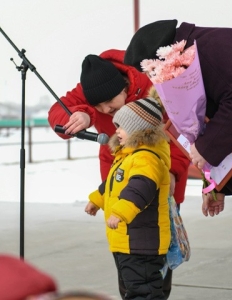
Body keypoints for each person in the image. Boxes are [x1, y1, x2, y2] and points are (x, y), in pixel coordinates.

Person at [124, 19, 232, 300]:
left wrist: (205, 150)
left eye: (154, 71)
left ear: (162, 55)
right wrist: (214, 184)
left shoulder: (216, 46)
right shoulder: (195, 57)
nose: (157, 77)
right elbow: (213, 120)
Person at [47, 51, 190, 299]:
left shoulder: (152, 83)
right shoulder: (93, 85)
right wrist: (82, 114)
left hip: (156, 171)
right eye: (98, 106)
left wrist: (173, 172)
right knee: (126, 255)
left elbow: (178, 133)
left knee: (155, 255)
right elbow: (57, 112)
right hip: (118, 168)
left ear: (125, 87)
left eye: (110, 103)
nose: (105, 110)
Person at [85, 97, 171, 300]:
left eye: (121, 126)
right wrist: (97, 200)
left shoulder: (146, 157)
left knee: (143, 292)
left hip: (142, 243)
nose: (117, 131)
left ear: (138, 130)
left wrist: (121, 212)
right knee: (133, 291)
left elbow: (141, 188)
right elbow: (113, 183)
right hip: (128, 241)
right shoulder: (127, 157)